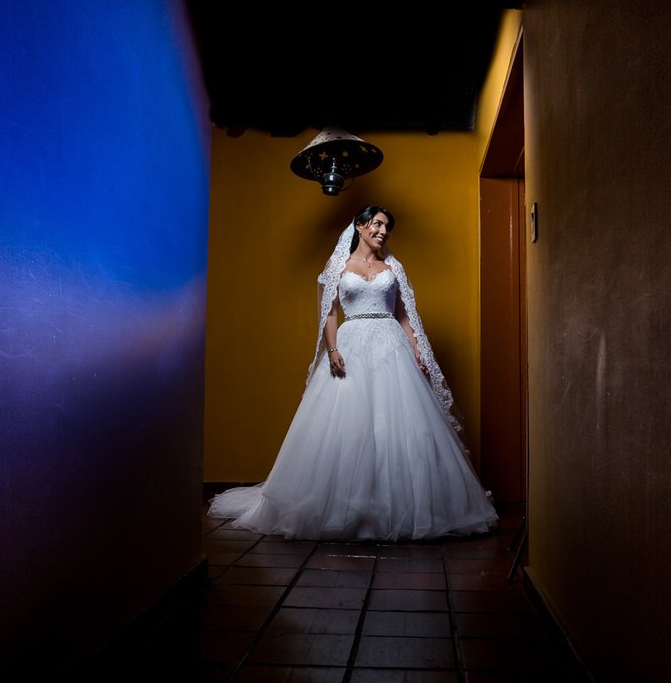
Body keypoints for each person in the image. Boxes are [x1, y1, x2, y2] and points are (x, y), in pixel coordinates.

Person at [208, 205, 499, 541]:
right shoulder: (338, 266)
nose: (383, 231)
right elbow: (330, 312)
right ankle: (343, 509)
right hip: (351, 345)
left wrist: (417, 350)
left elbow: (404, 315)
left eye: (387, 227)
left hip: (391, 345)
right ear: (360, 226)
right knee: (347, 424)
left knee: (397, 425)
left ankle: (397, 508)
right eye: (377, 224)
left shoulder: (394, 268)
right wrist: (332, 350)